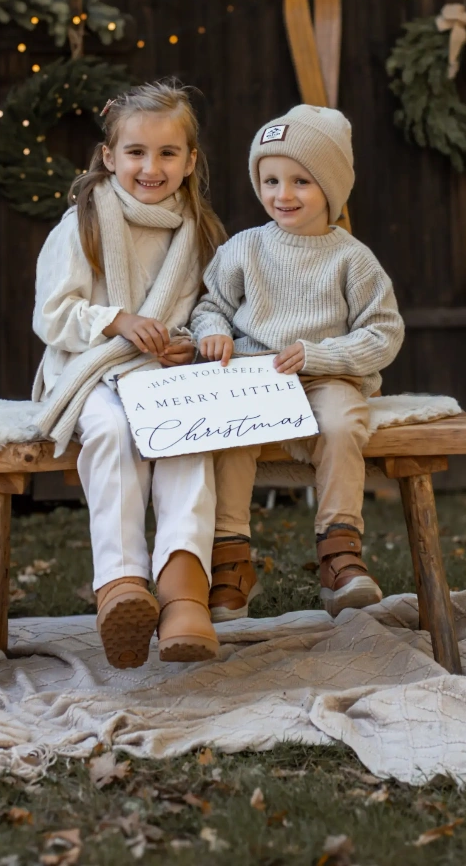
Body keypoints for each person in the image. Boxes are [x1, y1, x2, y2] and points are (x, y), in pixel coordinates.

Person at [32, 81, 226, 669]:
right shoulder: (82, 225)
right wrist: (115, 320)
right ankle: (120, 586)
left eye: (168, 153)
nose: (151, 166)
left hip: (161, 374)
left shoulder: (198, 233)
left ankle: (183, 590)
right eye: (136, 153)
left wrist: (184, 345)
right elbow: (52, 315)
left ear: (190, 161)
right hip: (90, 370)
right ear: (109, 157)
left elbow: (201, 311)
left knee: (190, 435)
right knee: (114, 433)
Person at [190, 105, 405, 620]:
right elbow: (210, 306)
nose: (282, 195)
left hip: (326, 376)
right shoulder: (244, 247)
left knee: (341, 421)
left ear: (331, 188)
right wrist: (216, 333)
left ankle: (339, 554)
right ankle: (230, 561)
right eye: (270, 180)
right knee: (230, 434)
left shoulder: (352, 258)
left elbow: (384, 333)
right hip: (252, 378)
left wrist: (322, 353)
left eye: (301, 181)